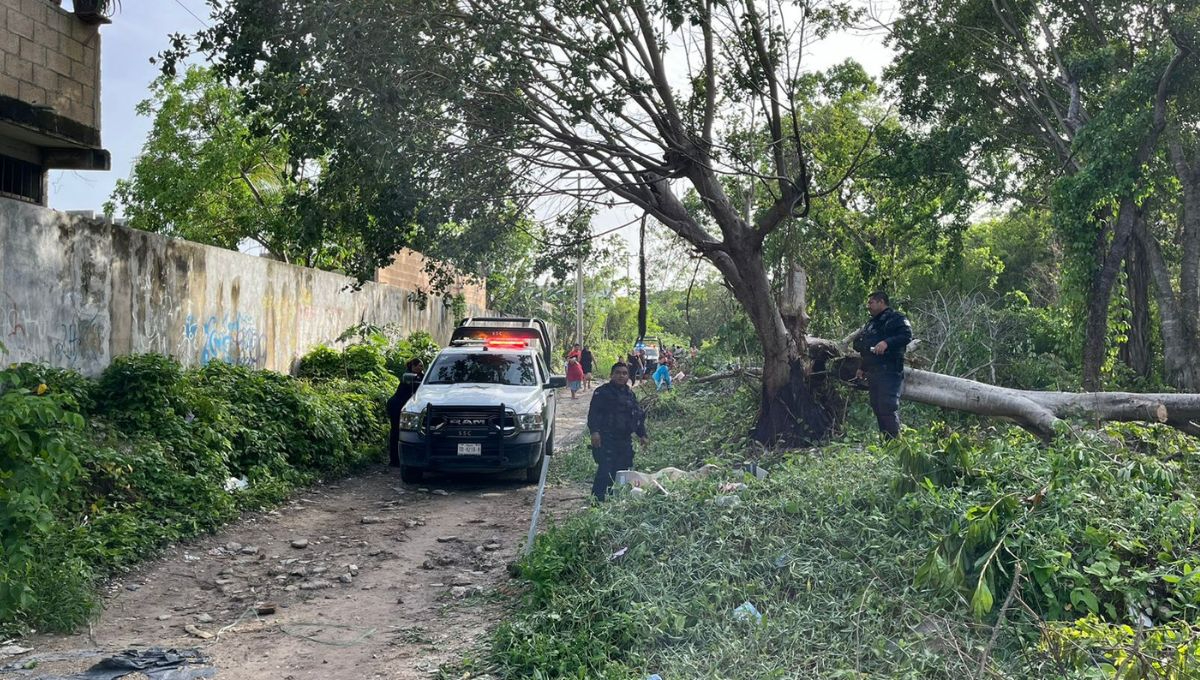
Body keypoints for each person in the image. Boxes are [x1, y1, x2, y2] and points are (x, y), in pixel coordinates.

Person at [853, 292, 913, 438]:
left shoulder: (896, 318)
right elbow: (866, 348)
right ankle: (886, 442)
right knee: (878, 407)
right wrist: (862, 367)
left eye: (871, 303)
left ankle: (895, 443)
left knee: (887, 406)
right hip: (874, 373)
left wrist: (887, 343)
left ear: (881, 302)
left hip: (890, 371)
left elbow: (907, 335)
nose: (869, 306)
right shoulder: (871, 323)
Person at [587, 362, 648, 500]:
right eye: (618, 373)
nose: (621, 376)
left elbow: (637, 416)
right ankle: (597, 502)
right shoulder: (602, 392)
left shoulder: (630, 394)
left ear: (628, 376)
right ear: (611, 375)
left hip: (624, 441)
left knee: (623, 472)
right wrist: (594, 432)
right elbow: (593, 414)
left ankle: (616, 501)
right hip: (606, 439)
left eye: (624, 373)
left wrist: (642, 435)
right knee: (605, 472)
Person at [386, 358, 425, 467]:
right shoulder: (409, 377)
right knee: (396, 432)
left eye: (422, 366)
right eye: (420, 366)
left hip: (404, 406)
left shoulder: (419, 377)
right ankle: (394, 460)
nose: (422, 368)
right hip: (396, 406)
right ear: (413, 366)